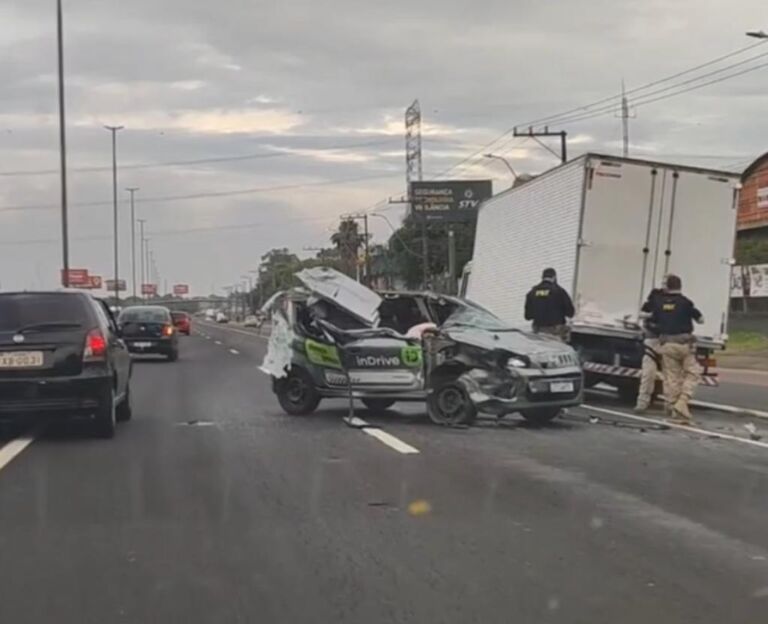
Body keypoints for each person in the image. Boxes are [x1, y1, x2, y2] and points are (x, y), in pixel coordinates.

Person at [648, 274, 704, 424]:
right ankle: (683, 400)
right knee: (693, 372)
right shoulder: (686, 302)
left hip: (667, 344)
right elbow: (701, 319)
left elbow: (652, 320)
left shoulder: (660, 304)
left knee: (671, 377)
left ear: (667, 286)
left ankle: (672, 407)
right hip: (684, 344)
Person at [634, 286, 664, 413]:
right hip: (659, 342)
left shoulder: (664, 308)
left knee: (648, 376)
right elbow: (641, 314)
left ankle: (642, 403)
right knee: (668, 377)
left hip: (655, 342)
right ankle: (671, 405)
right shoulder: (653, 307)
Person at [524, 268, 575, 341]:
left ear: (542, 277)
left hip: (538, 330)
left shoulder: (532, 292)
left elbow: (528, 316)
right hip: (555, 330)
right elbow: (570, 312)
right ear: (554, 277)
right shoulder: (559, 291)